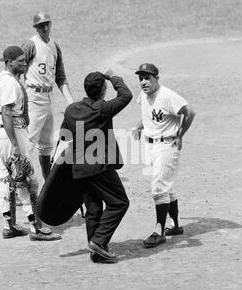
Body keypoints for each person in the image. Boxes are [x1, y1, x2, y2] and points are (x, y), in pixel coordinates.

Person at [60, 69, 133, 263]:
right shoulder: (102, 108)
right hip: (98, 167)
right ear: (102, 91)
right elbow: (126, 95)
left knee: (93, 209)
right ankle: (99, 242)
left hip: (78, 168)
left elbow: (63, 135)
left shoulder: (71, 110)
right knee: (119, 202)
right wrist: (113, 77)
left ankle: (97, 251)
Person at [0, 45, 61, 241]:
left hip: (1, 133)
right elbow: (6, 114)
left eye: (25, 60)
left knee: (6, 178)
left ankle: (9, 225)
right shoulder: (10, 84)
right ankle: (36, 228)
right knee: (27, 181)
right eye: (20, 61)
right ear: (9, 62)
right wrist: (13, 143)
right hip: (11, 134)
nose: (25, 63)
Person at [131, 63, 196, 248]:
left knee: (158, 188)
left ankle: (159, 231)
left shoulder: (167, 96)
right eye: (141, 79)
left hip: (167, 145)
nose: (143, 82)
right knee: (166, 186)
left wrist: (180, 135)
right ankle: (175, 225)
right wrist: (138, 126)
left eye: (147, 78)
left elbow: (190, 112)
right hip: (151, 146)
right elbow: (148, 116)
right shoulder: (143, 96)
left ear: (156, 79)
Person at [21, 12, 74, 180]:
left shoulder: (54, 46)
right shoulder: (30, 45)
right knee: (27, 142)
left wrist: (70, 102)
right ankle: (21, 183)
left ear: (50, 24)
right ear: (35, 27)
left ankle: (47, 183)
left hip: (49, 98)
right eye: (40, 25)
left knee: (46, 145)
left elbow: (60, 77)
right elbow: (17, 69)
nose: (44, 28)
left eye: (47, 24)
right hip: (34, 98)